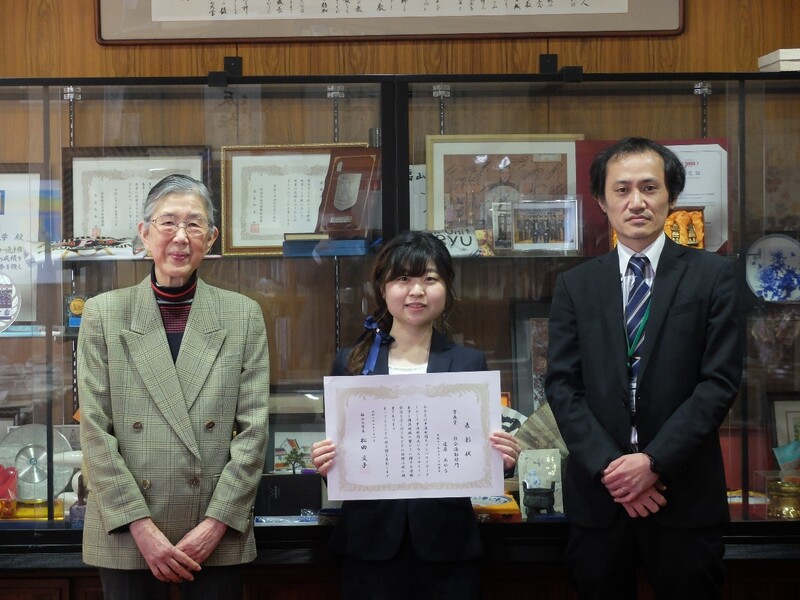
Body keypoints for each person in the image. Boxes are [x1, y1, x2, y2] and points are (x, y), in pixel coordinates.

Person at [545, 137, 743, 599]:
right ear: (601, 201)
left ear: (671, 196)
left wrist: (654, 463)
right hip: (601, 496)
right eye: (622, 189)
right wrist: (614, 470)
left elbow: (718, 383)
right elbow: (562, 385)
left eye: (650, 188)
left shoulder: (713, 276)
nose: (636, 201)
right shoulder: (575, 286)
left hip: (683, 494)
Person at [77, 174, 270, 600]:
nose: (181, 237)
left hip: (215, 531)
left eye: (194, 224)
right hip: (127, 531)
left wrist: (215, 524)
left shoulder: (242, 316)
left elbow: (254, 433)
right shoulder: (104, 314)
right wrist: (140, 526)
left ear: (211, 238)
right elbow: (94, 430)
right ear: (145, 234)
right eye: (168, 223)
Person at [310, 230, 521, 600]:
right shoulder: (352, 363)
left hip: (448, 545)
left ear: (447, 287)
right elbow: (346, 460)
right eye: (403, 279)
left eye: (430, 279)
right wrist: (328, 464)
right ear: (382, 287)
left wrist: (501, 461)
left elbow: (475, 455)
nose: (417, 291)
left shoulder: (468, 363)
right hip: (369, 545)